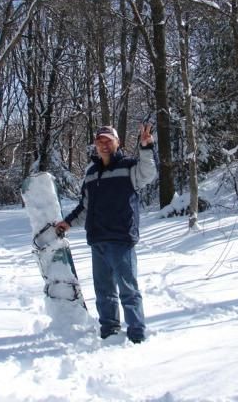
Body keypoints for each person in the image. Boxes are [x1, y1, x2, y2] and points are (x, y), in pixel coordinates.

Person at [56, 124, 157, 343]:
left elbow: (148, 174)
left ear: (117, 143)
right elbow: (85, 205)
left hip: (121, 239)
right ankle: (109, 330)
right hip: (97, 240)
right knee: (103, 291)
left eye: (108, 140)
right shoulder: (92, 174)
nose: (103, 145)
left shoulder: (129, 167)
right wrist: (68, 222)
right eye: (100, 141)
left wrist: (146, 148)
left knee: (128, 290)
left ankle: (136, 335)